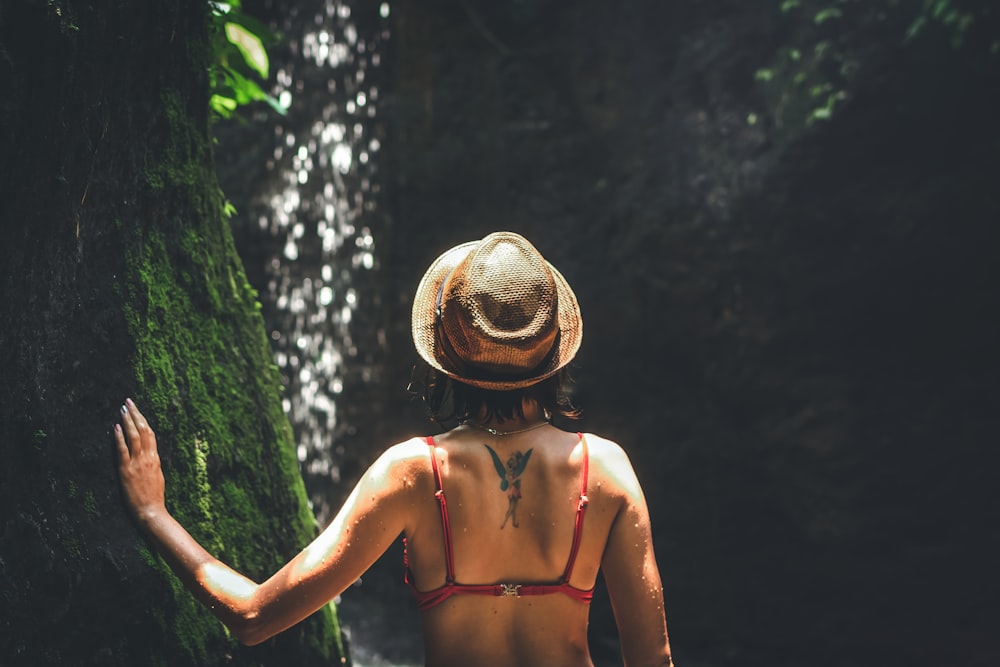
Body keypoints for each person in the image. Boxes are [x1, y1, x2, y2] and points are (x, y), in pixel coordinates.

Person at [115, 231, 675, 667]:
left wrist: (152, 512)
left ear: (446, 356)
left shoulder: (412, 474)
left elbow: (254, 617)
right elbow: (653, 660)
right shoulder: (606, 470)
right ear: (554, 353)